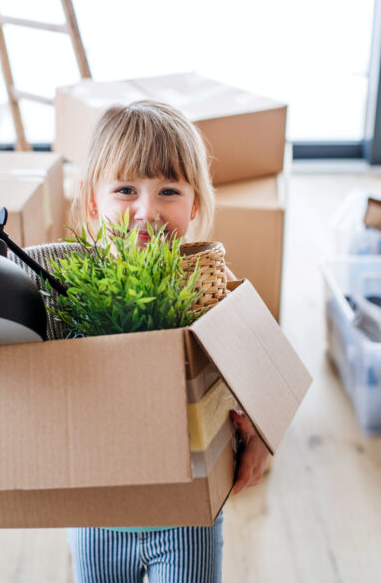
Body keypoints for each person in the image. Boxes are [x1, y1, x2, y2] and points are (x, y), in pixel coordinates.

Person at [61, 100, 269, 582]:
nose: (147, 211)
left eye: (168, 191)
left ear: (194, 204)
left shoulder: (210, 288)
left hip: (187, 518)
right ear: (93, 201)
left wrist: (258, 434)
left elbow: (259, 372)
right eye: (126, 190)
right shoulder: (71, 292)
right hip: (97, 519)